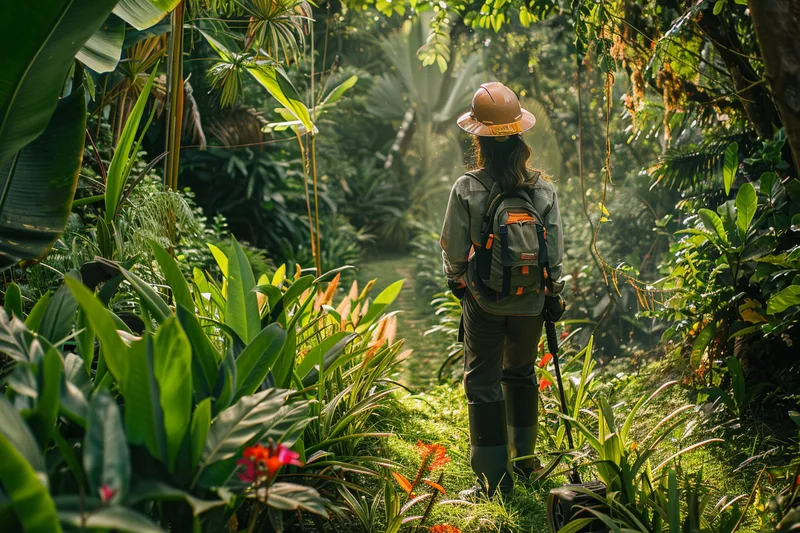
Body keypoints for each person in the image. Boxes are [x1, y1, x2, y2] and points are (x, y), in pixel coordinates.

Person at [440, 82, 565, 498]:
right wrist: (552, 294)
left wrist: (458, 281)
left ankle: (493, 482)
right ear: (519, 135)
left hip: (484, 300)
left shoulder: (467, 187)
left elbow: (455, 251)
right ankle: (525, 461)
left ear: (478, 138)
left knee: (482, 383)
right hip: (532, 301)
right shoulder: (543, 189)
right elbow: (556, 252)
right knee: (522, 373)